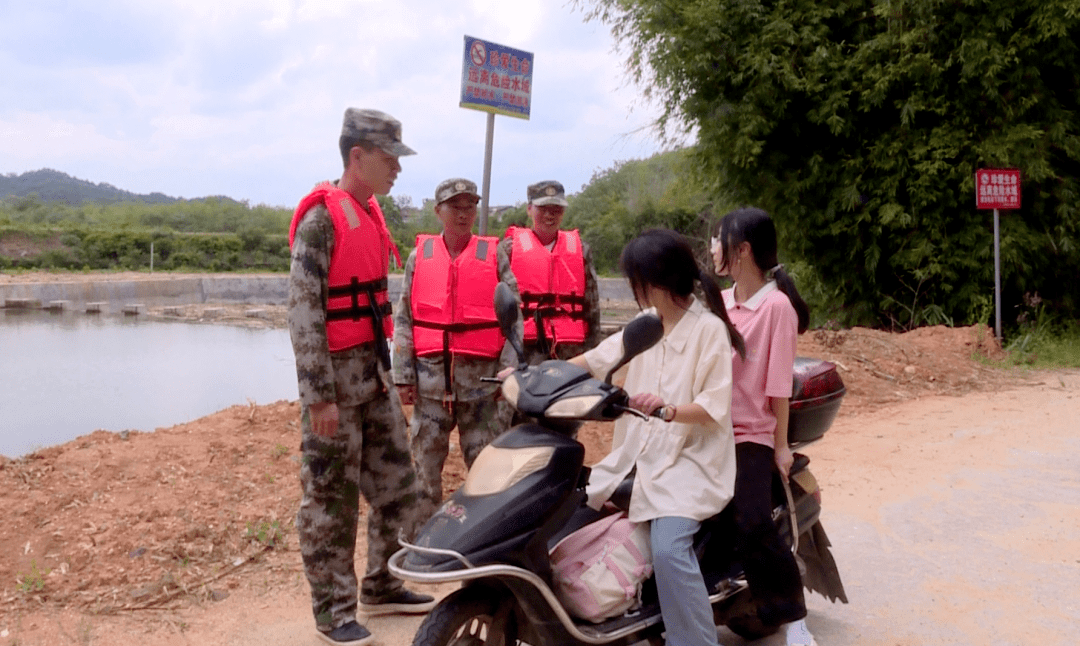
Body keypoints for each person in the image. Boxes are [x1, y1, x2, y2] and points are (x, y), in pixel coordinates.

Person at [287, 108, 435, 646]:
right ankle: (333, 613)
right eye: (389, 157)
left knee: (399, 486)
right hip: (335, 393)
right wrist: (318, 399)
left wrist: (392, 375)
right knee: (330, 503)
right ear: (358, 156)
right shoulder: (321, 221)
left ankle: (382, 583)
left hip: (371, 381)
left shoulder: (367, 213)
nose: (397, 167)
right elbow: (303, 314)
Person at [569, 228, 745, 646]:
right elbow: (598, 358)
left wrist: (667, 410)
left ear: (656, 282)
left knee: (668, 549)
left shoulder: (708, 331)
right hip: (640, 455)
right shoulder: (646, 325)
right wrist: (538, 375)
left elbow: (714, 406)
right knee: (572, 515)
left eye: (636, 281)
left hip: (690, 462)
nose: (634, 291)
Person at [712, 207, 816, 646]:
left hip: (750, 432)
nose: (712, 248)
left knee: (752, 519)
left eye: (719, 240)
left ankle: (794, 619)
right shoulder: (721, 300)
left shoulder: (776, 308)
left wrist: (780, 448)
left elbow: (778, 387)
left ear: (742, 250)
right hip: (708, 428)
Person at [392, 178, 522, 518]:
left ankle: (484, 546)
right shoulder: (418, 257)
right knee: (422, 475)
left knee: (488, 472)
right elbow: (404, 317)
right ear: (438, 211)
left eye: (470, 206)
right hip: (431, 388)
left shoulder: (494, 256)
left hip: (482, 389)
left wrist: (508, 371)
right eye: (455, 206)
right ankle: (420, 547)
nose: (464, 213)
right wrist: (403, 375)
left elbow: (513, 317)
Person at [499, 180, 601, 364]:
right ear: (529, 209)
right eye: (543, 208)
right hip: (525, 351)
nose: (549, 215)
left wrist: (592, 356)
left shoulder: (581, 250)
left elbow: (592, 306)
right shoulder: (508, 250)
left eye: (556, 209)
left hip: (571, 352)